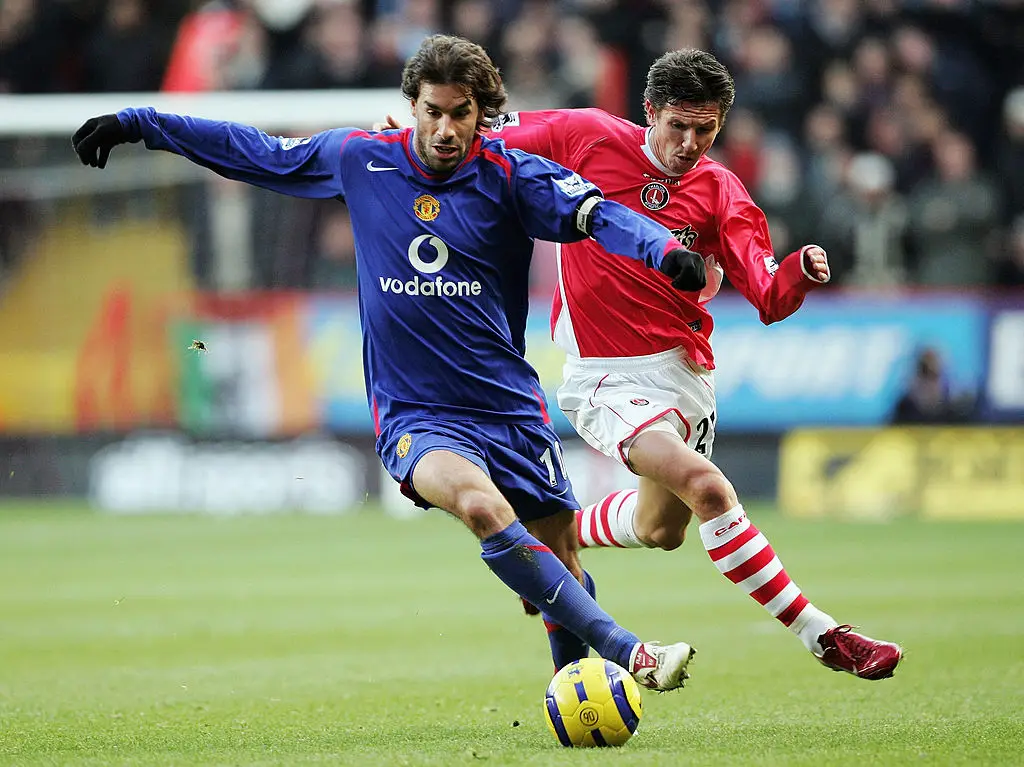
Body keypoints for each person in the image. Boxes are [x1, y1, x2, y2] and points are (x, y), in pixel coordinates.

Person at [71, 35, 705, 691]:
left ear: (481, 115)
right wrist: (143, 123)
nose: (445, 128)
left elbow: (602, 216)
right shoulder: (361, 159)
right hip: (416, 414)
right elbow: (254, 152)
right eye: (433, 111)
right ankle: (631, 652)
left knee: (560, 569)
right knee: (482, 508)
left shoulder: (514, 176)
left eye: (460, 113)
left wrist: (663, 251)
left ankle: (576, 695)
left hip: (509, 408)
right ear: (412, 106)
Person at [377, 48, 902, 680]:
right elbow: (483, 138)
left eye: (705, 130)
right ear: (649, 112)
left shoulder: (721, 191)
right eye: (677, 125)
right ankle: (824, 636)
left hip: (684, 373)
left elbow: (766, 295)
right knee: (709, 488)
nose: (689, 144)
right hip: (604, 374)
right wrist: (408, 141)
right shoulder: (587, 136)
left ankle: (551, 540)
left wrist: (797, 272)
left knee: (661, 529)